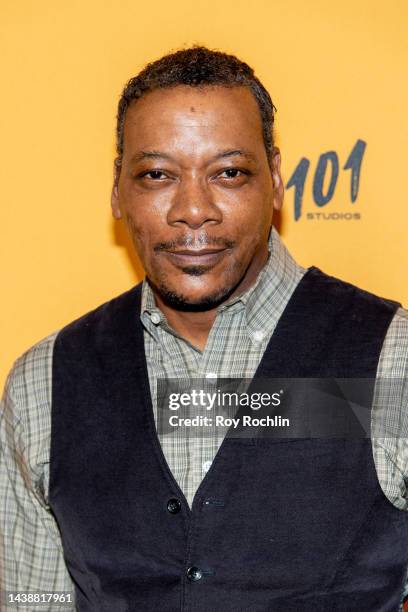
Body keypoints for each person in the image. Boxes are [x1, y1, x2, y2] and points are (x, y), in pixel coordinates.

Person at [1, 46, 408, 612]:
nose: (194, 209)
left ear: (277, 182)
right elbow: (30, 599)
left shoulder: (393, 356)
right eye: (158, 174)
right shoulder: (43, 382)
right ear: (118, 191)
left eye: (229, 173)